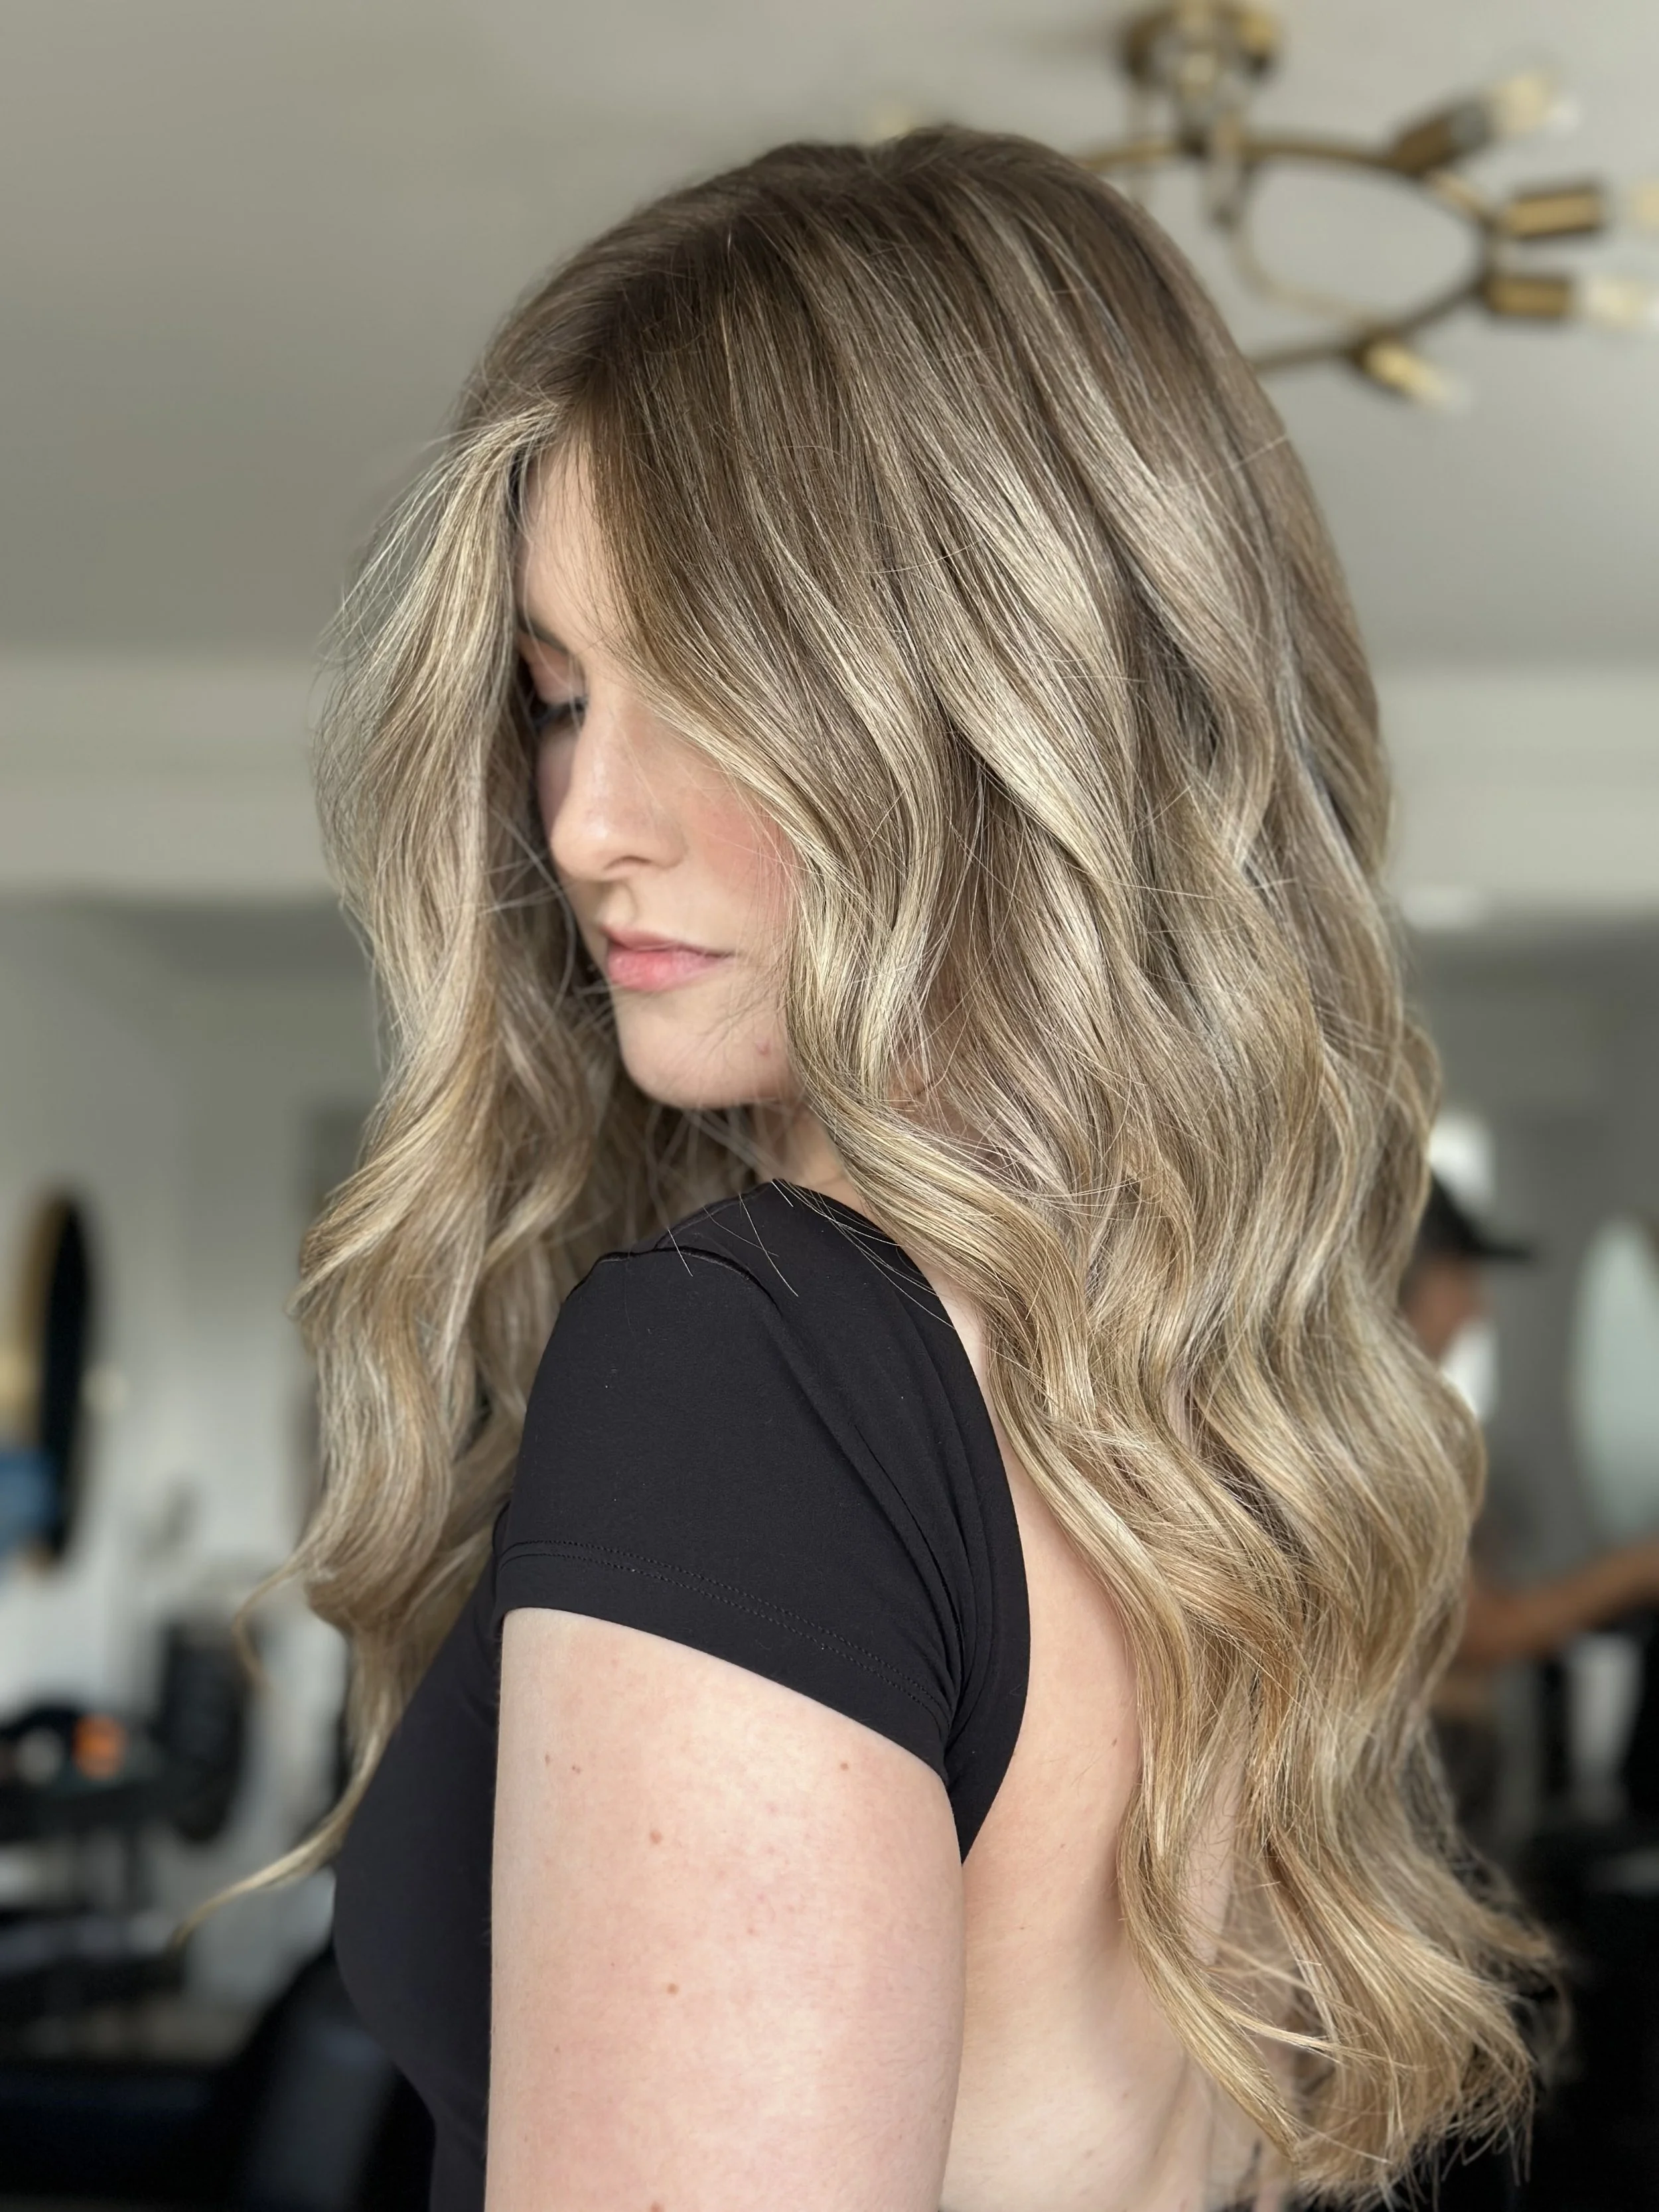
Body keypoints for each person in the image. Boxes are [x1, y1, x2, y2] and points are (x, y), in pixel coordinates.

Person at [237, 129, 1553, 2211]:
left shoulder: (744, 1366)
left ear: (976, 709)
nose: (580, 820)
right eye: (560, 700)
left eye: (706, 692)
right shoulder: (1181, 1423)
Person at [1404, 1177, 1659, 1829]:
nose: (1475, 1311)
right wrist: (1635, 1570)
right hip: (1423, 1771)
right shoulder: (1392, 1431)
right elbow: (1476, 1630)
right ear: (1401, 1274)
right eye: (1459, 1279)